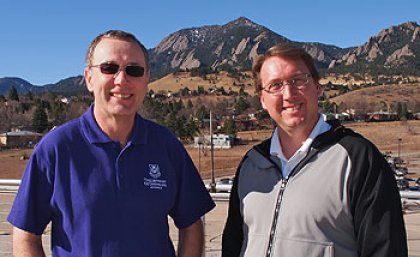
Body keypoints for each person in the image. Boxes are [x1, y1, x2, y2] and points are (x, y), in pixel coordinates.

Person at [8, 30, 215, 257]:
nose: (121, 79)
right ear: (89, 78)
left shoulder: (166, 145)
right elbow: (26, 234)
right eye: (109, 68)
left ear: (146, 81)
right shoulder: (56, 148)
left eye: (134, 71)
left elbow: (192, 225)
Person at [222, 44, 407, 257]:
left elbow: (386, 250)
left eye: (298, 80)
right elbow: (233, 246)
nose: (289, 94)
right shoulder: (252, 163)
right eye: (275, 85)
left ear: (317, 87)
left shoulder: (357, 158)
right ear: (263, 99)